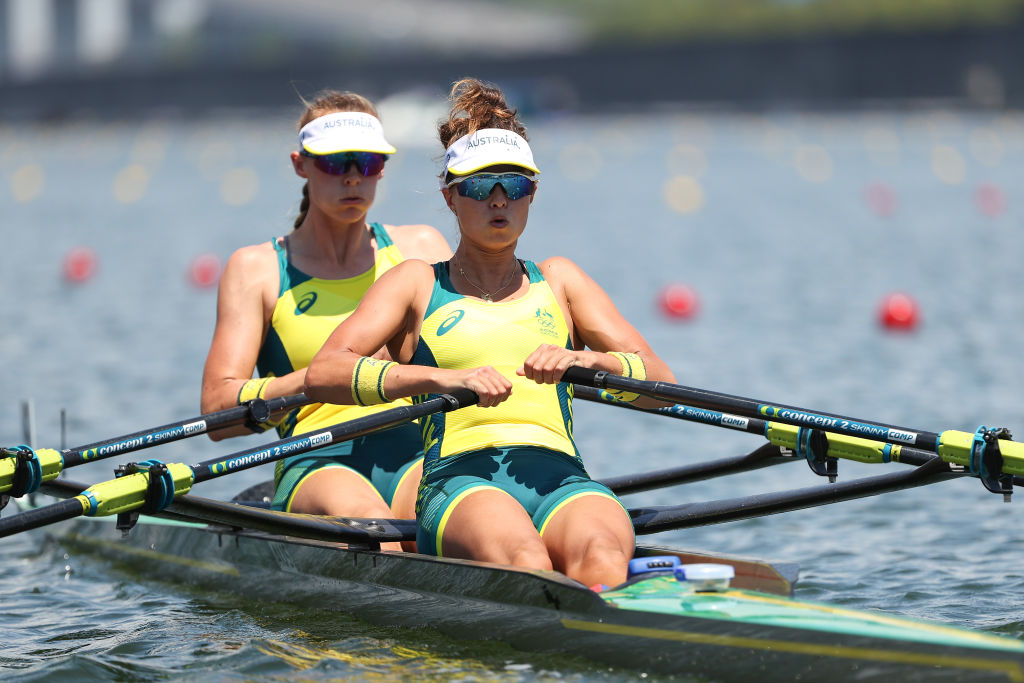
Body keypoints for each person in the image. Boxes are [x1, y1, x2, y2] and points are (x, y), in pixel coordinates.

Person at [303, 78, 675, 589]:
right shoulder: (415, 282)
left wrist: (591, 362)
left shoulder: (562, 280)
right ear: (451, 197)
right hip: (460, 481)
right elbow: (325, 372)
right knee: (524, 560)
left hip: (560, 476)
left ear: (533, 193)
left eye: (514, 185)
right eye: (480, 186)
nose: (498, 200)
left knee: (604, 558)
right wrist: (435, 380)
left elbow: (661, 383)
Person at [199, 91, 452, 547]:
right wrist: (325, 377)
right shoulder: (256, 269)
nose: (354, 178)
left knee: (450, 521)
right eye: (337, 164)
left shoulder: (421, 248)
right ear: (301, 164)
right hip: (316, 455)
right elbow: (219, 412)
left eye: (369, 163)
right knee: (378, 532)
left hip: (413, 447)